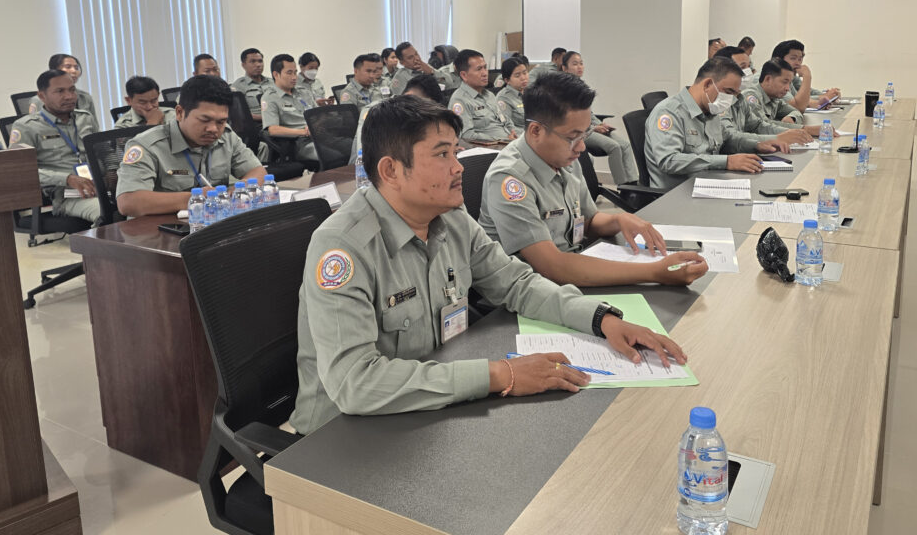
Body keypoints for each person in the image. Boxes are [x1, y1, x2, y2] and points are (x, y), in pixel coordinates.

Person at [289, 95, 688, 435]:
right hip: (343, 434)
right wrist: (501, 375)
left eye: (456, 152)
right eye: (442, 155)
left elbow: (517, 283)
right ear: (391, 170)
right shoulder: (343, 248)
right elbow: (355, 384)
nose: (458, 167)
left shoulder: (450, 219)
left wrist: (602, 319)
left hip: (429, 404)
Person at [480, 72, 708, 288]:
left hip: (574, 270)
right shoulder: (510, 179)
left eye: (585, 135)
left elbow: (588, 221)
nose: (581, 147)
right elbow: (552, 266)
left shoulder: (564, 158)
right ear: (536, 131)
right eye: (572, 137)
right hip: (531, 290)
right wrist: (655, 272)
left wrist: (619, 220)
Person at [115, 75, 266, 217]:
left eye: (221, 121)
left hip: (213, 221)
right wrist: (196, 198)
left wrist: (239, 190)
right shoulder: (147, 145)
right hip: (164, 228)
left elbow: (258, 171)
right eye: (204, 120)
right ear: (180, 113)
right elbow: (128, 201)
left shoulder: (226, 136)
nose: (213, 129)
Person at [644, 57, 790, 192]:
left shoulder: (710, 110)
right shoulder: (670, 112)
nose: (731, 99)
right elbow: (669, 160)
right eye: (728, 92)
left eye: (735, 94)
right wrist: (726, 162)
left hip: (710, 186)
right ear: (707, 84)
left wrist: (758, 145)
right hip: (677, 194)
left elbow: (729, 139)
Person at [11, 69, 101, 224]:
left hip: (98, 187)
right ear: (42, 96)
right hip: (66, 195)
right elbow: (20, 172)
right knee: (106, 212)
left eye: (72, 90)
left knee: (136, 205)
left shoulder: (85, 118)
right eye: (60, 91)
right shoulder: (27, 127)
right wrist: (67, 179)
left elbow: (100, 153)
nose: (69, 96)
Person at [560, 51, 639, 185]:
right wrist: (594, 128)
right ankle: (623, 187)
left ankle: (633, 184)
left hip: (593, 127)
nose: (579, 67)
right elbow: (572, 119)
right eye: (575, 64)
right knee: (614, 147)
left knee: (625, 145)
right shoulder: (564, 89)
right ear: (564, 68)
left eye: (581, 63)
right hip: (580, 132)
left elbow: (590, 114)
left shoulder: (582, 86)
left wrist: (601, 125)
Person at [714, 47, 814, 143]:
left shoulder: (740, 99)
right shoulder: (743, 97)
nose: (749, 72)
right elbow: (731, 138)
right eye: (743, 67)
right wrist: (778, 138)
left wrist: (792, 127)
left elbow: (758, 125)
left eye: (749, 66)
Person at [348, 73, 442, 163]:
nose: (423, 112)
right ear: (409, 97)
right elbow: (365, 155)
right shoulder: (376, 111)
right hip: (363, 170)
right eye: (422, 106)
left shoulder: (419, 114)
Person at [261, 53, 325, 165]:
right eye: (289, 73)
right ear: (276, 74)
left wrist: (318, 124)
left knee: (349, 146)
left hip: (320, 136)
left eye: (295, 72)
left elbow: (318, 114)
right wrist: (304, 132)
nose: (294, 77)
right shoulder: (270, 97)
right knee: (330, 155)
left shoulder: (303, 92)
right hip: (300, 142)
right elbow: (273, 130)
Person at [448, 49, 516, 143]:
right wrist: (501, 140)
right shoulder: (460, 100)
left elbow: (505, 120)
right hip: (491, 146)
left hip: (508, 142)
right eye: (479, 69)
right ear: (464, 75)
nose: (485, 73)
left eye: (485, 67)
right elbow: (466, 135)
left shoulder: (489, 95)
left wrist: (513, 133)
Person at [743, 58, 819, 130]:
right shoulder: (751, 96)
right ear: (768, 79)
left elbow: (797, 112)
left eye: (789, 83)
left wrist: (791, 117)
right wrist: (807, 129)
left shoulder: (774, 99)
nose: (787, 88)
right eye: (784, 82)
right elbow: (762, 126)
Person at [28, 53, 99, 127]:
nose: (74, 71)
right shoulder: (39, 100)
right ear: (55, 70)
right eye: (68, 67)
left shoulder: (85, 97)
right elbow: (34, 128)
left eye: (76, 68)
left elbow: (95, 128)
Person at [771, 39, 839, 112]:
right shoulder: (774, 78)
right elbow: (797, 106)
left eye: (800, 59)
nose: (798, 63)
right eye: (793, 58)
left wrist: (827, 96)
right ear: (778, 60)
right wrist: (807, 76)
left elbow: (803, 96)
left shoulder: (791, 78)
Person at [390, 41, 454, 95]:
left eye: (416, 54)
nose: (417, 58)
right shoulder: (400, 77)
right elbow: (402, 102)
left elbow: (450, 84)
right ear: (402, 62)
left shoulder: (425, 67)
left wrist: (432, 72)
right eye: (410, 57)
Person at [230, 48, 272, 120]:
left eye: (260, 61)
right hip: (256, 124)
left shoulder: (273, 82)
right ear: (243, 65)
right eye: (253, 61)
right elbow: (239, 113)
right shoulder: (237, 86)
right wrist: (267, 118)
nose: (258, 65)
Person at [496, 57, 528, 131]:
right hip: (521, 135)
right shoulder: (503, 98)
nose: (523, 78)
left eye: (525, 73)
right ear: (507, 80)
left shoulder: (531, 91)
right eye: (517, 75)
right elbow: (507, 127)